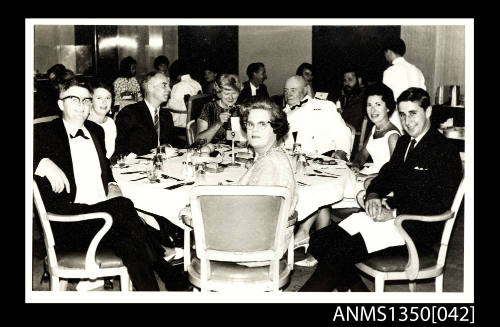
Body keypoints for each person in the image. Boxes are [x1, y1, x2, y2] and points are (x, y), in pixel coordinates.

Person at [33, 78, 191, 291]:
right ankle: (167, 270)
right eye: (74, 99)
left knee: (129, 241)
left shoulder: (95, 130)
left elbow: (106, 169)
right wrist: (40, 163)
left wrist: (111, 183)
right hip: (69, 223)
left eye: (87, 100)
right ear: (61, 104)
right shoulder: (44, 132)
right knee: (125, 208)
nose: (82, 105)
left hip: (104, 219)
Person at [299, 87, 462, 292]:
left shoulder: (444, 151)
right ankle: (361, 294)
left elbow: (439, 203)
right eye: (402, 115)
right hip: (389, 218)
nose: (407, 121)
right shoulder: (405, 142)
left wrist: (393, 213)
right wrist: (374, 195)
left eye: (413, 113)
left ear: (428, 112)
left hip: (416, 228)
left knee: (337, 252)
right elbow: (386, 175)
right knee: (319, 240)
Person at [282, 75, 352, 160]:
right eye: (286, 91)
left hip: (327, 158)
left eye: (293, 90)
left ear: (304, 90)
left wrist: (341, 150)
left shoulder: (325, 105)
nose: (288, 94)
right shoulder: (281, 115)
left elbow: (342, 130)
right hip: (297, 161)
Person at [114, 72, 181, 157]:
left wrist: (168, 146)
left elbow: (174, 141)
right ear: (150, 87)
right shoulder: (130, 113)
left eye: (169, 86)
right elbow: (119, 146)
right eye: (164, 85)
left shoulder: (166, 115)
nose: (169, 89)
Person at [350, 83, 400, 175]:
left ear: (388, 107)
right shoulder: (375, 128)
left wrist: (366, 176)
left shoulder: (393, 136)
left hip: (381, 181)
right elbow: (363, 154)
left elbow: (395, 171)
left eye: (378, 104)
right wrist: (356, 164)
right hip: (369, 174)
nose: (373, 110)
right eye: (369, 105)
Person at [382, 37, 426, 133]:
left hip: (396, 121)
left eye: (385, 53)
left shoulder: (389, 72)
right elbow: (424, 99)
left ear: (388, 51)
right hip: (416, 121)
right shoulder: (417, 71)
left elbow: (387, 100)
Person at [196, 74, 241, 144]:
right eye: (227, 93)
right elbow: (199, 141)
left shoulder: (240, 109)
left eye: (234, 93)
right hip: (211, 152)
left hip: (233, 153)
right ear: (219, 93)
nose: (231, 97)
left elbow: (241, 139)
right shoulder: (209, 108)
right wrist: (218, 123)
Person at [166, 59, 203, 128]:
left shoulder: (178, 86)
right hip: (194, 122)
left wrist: (166, 104)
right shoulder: (197, 84)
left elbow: (173, 106)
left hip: (181, 124)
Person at [86, 80, 117, 159]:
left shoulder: (110, 123)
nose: (104, 102)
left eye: (107, 98)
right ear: (91, 101)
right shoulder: (84, 124)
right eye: (99, 98)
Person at [338, 68, 367, 133]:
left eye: (350, 80)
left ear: (359, 80)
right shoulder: (351, 95)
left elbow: (351, 124)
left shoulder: (361, 98)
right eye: (345, 80)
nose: (346, 83)